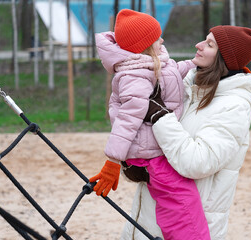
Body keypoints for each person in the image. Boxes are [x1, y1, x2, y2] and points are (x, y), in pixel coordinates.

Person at [120, 25, 251, 240]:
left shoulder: (234, 107)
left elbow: (197, 162)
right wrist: (135, 160)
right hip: (149, 221)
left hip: (188, 228)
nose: (199, 45)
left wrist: (159, 116)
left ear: (224, 59)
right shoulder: (187, 88)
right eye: (204, 39)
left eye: (210, 44)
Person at [89, 9, 211, 240]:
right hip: (148, 154)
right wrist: (113, 161)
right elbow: (127, 120)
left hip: (155, 145)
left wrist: (197, 65)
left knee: (178, 198)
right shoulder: (134, 76)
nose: (162, 41)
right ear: (144, 46)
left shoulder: (153, 62)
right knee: (181, 198)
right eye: (157, 38)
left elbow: (173, 70)